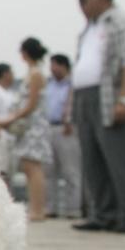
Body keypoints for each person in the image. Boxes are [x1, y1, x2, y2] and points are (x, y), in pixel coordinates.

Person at [68, 0, 125, 234]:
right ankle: (103, 214)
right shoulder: (87, 30)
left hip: (110, 98)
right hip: (84, 98)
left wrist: (124, 99)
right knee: (93, 161)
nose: (80, 5)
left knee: (122, 161)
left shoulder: (123, 23)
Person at [0, 38, 51, 221]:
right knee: (29, 166)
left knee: (33, 166)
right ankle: (36, 208)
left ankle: (38, 209)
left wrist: (10, 118)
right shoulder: (32, 73)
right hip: (28, 127)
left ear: (26, 53)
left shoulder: (36, 74)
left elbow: (31, 104)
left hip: (34, 126)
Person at [42, 53, 82, 219]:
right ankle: (50, 208)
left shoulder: (74, 85)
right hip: (48, 128)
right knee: (48, 172)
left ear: (64, 66)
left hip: (67, 129)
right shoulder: (48, 85)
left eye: (55, 65)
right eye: (51, 66)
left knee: (70, 171)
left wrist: (71, 120)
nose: (52, 69)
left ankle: (73, 209)